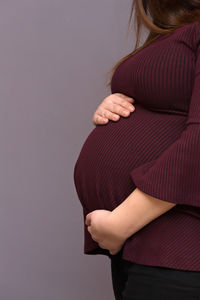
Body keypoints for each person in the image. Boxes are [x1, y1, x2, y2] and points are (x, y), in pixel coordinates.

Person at [73, 0, 200, 299]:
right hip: (140, 243)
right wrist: (116, 108)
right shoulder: (178, 33)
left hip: (179, 244)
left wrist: (119, 223)